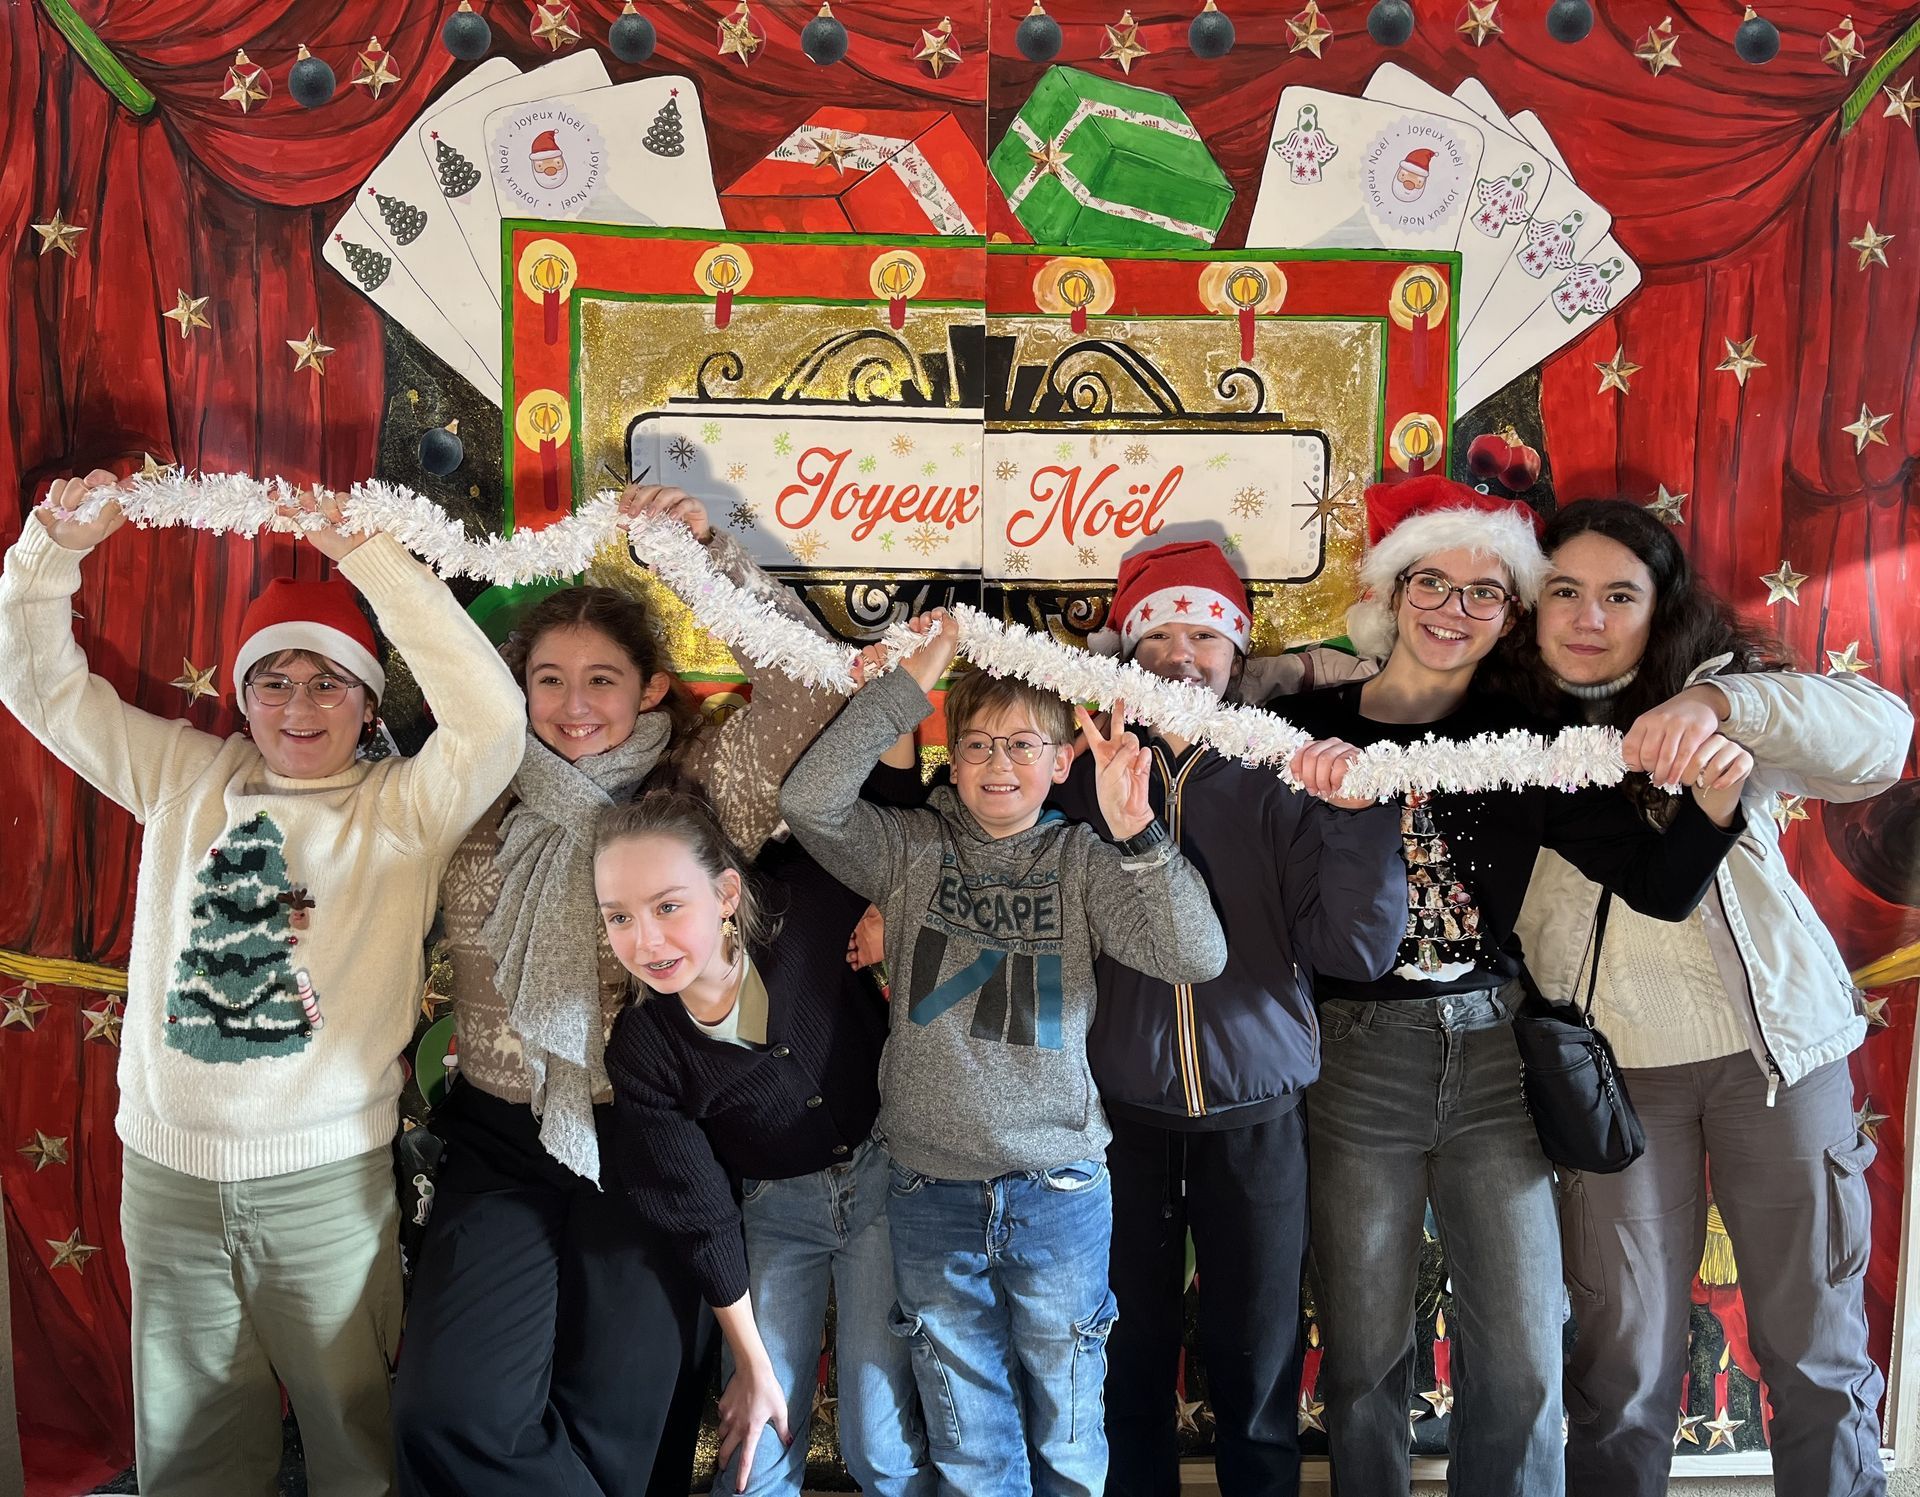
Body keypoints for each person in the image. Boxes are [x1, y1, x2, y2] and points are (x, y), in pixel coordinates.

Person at [0, 470, 525, 1495]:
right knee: (193, 1458)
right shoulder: (185, 777)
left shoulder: (404, 810)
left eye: (328, 680)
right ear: (240, 696)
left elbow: (491, 722)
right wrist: (48, 553)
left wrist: (369, 559)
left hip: (325, 1192)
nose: (299, 704)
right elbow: (37, 686)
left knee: (355, 1451)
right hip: (168, 1185)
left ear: (369, 701)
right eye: (273, 681)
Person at [1281, 475, 1753, 1497]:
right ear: (1395, 591)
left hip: (1495, 1053)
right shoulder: (1304, 725)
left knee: (1527, 1357)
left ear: (1510, 615)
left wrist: (1717, 803)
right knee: (1362, 1361)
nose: (1454, 610)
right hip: (1355, 1059)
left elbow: (1656, 883)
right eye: (1433, 584)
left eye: (1484, 593)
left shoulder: (1522, 749)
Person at [393, 484, 848, 1497]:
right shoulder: (477, 784)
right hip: (500, 1142)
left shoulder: (698, 791)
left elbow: (812, 691)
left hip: (653, 1145)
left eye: (603, 677)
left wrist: (703, 558)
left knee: (626, 1434)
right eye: (549, 679)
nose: (574, 703)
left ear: (650, 688)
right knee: (447, 1413)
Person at [1510, 498, 1909, 1497]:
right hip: (1614, 1085)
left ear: (1660, 607)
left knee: (1814, 1350)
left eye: (1619, 595)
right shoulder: (1497, 727)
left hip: (1776, 1064)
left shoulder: (1716, 694)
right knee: (1622, 1366)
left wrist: (1718, 708)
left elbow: (1879, 739)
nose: (1589, 617)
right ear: (1532, 601)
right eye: (1565, 591)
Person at [778, 614, 1229, 1497]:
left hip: (1058, 1187)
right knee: (971, 1441)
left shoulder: (1083, 860)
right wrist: (914, 682)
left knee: (1067, 1434)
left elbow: (1197, 955)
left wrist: (1140, 835)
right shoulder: (909, 849)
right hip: (927, 1190)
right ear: (950, 752)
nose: (997, 763)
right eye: (977, 742)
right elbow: (810, 800)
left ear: (1065, 762)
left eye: (1024, 744)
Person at [1051, 539, 1409, 1497]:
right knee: (1126, 1365)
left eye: (1205, 634)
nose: (1182, 655)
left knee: (1257, 1371)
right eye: (1161, 631)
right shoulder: (1075, 774)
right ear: (1127, 648)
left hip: (1256, 1109)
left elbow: (1355, 950)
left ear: (1236, 652)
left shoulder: (1281, 774)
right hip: (1118, 1111)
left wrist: (1363, 814)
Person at [596, 768, 936, 1497]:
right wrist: (751, 1363)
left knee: (878, 1445)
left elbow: (897, 826)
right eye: (618, 916)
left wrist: (888, 916)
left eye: (667, 905)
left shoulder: (802, 905)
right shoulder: (643, 1047)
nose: (646, 939)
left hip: (884, 1179)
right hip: (775, 1212)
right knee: (755, 1453)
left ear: (725, 895)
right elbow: (702, 1215)